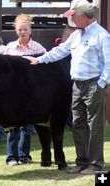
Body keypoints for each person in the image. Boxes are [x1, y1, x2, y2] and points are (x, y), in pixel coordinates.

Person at [24, 0, 110, 174]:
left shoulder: (101, 35)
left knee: (95, 127)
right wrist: (39, 59)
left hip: (93, 84)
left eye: (74, 17)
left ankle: (95, 165)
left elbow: (108, 64)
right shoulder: (77, 35)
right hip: (77, 85)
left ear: (82, 16)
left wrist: (100, 85)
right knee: (78, 124)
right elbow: (60, 51)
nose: (72, 21)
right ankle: (82, 162)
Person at [3, 13, 46, 166]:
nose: (22, 32)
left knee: (27, 126)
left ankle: (24, 155)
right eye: (20, 29)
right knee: (12, 126)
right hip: (13, 92)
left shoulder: (39, 48)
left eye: (25, 29)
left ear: (30, 30)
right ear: (16, 31)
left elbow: (44, 70)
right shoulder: (9, 48)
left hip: (30, 92)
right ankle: (11, 157)